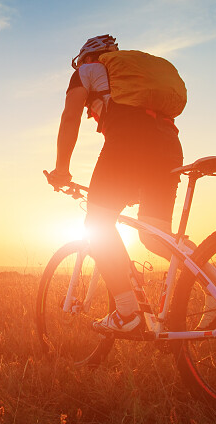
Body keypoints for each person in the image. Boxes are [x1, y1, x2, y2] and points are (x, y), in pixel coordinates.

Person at [45, 34, 184, 333]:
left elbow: (70, 119)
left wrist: (61, 170)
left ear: (86, 58)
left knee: (96, 223)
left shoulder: (87, 71)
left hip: (128, 141)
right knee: (156, 236)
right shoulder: (131, 75)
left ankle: (128, 314)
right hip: (168, 141)